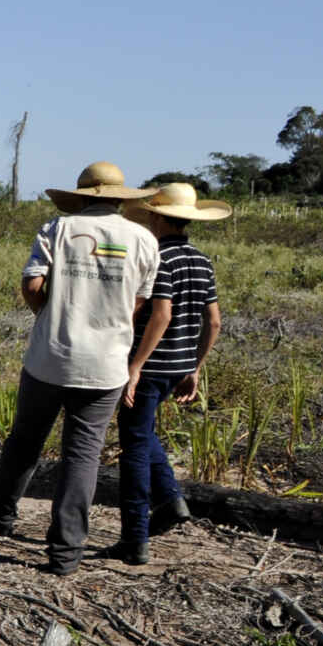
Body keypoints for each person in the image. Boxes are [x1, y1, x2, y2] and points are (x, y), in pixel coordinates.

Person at [0, 162, 159, 576]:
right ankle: (65, 552)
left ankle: (0, 516)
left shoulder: (57, 229)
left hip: (50, 357)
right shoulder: (143, 239)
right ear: (120, 197)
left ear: (80, 195)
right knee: (82, 455)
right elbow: (139, 302)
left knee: (26, 441)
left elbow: (31, 284)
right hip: (107, 366)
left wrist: (47, 315)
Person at [112, 182, 227, 562]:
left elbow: (161, 314)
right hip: (178, 365)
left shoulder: (158, 257)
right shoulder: (201, 260)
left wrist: (135, 366)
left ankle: (135, 537)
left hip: (150, 365)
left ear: (158, 217)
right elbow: (213, 322)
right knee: (145, 434)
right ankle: (171, 500)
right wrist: (195, 366)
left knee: (133, 447)